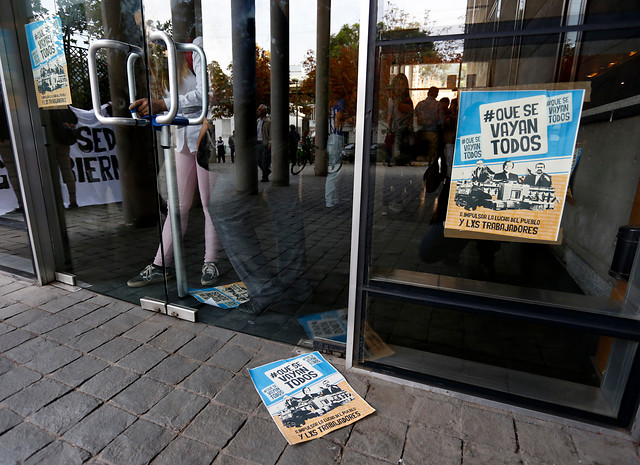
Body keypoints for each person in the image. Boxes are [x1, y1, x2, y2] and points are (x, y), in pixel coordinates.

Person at [127, 35, 221, 288]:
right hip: (182, 139)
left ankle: (210, 261)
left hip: (203, 137)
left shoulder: (196, 46)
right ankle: (161, 264)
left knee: (209, 205)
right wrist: (155, 109)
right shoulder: (170, 64)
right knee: (177, 207)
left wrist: (162, 104)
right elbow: (177, 104)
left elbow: (206, 95)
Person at [386, 73, 414, 165]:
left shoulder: (403, 100)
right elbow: (390, 115)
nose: (400, 87)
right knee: (397, 147)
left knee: (400, 148)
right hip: (397, 128)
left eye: (402, 85)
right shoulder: (393, 99)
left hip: (403, 129)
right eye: (399, 84)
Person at [414, 86, 444, 165]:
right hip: (433, 131)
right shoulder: (438, 105)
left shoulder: (420, 104)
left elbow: (414, 116)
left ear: (428, 93)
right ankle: (430, 166)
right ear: (436, 94)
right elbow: (441, 121)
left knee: (422, 151)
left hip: (421, 131)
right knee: (432, 153)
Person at [256, 104, 271, 182]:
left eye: (259, 110)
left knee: (264, 161)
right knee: (258, 160)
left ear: (264, 111)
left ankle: (265, 177)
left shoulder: (268, 121)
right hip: (258, 143)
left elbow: (271, 133)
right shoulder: (258, 121)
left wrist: (270, 143)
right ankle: (267, 171)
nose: (258, 111)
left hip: (265, 143)